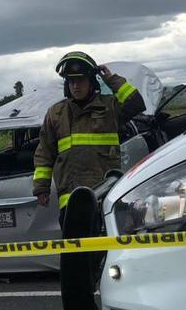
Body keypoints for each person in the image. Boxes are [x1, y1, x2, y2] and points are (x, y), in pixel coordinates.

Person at [32, 51, 146, 226]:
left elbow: (136, 103)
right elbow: (45, 153)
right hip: (71, 202)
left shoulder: (109, 107)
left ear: (92, 82)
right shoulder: (56, 114)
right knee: (76, 252)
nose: (76, 86)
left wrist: (112, 79)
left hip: (106, 198)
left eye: (81, 80)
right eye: (71, 81)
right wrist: (41, 188)